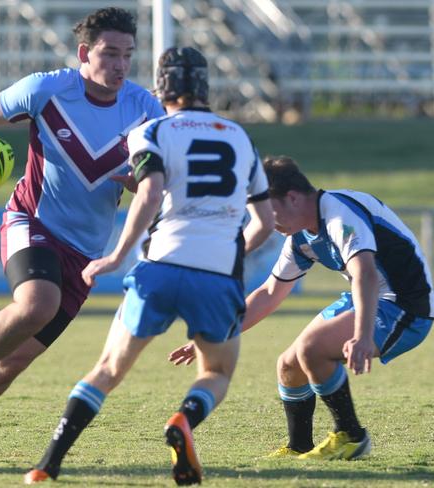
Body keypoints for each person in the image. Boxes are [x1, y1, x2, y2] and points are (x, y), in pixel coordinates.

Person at [0, 7, 165, 466]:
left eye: (128, 55)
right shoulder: (48, 88)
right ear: (85, 53)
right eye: (110, 53)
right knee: (37, 305)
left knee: (12, 363)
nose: (120, 64)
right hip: (31, 222)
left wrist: (137, 183)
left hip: (85, 254)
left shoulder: (144, 109)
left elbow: (160, 184)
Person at [22, 46, 275, 485]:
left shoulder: (150, 131)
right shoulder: (239, 136)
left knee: (108, 370)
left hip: (160, 266)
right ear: (204, 86)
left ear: (162, 87)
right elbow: (266, 222)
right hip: (216, 275)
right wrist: (232, 257)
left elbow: (151, 189)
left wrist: (118, 255)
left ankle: (48, 463)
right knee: (216, 372)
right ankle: (183, 419)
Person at [169, 155, 434, 460]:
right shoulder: (300, 237)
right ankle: (299, 446)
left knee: (311, 348)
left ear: (292, 198)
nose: (267, 224)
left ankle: (352, 436)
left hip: (406, 307)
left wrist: (362, 336)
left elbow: (366, 273)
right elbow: (270, 292)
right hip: (367, 296)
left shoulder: (338, 214)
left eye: (267, 212)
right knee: (288, 365)